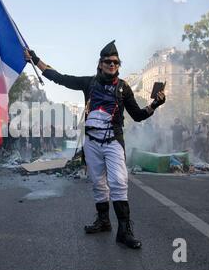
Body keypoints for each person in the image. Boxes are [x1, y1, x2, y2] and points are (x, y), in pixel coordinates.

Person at [25, 41, 166, 249]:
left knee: (119, 183)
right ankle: (104, 221)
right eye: (108, 61)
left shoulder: (124, 87)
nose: (112, 65)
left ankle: (124, 231)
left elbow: (136, 115)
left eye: (116, 62)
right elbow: (60, 78)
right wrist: (35, 60)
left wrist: (155, 104)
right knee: (98, 183)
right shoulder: (89, 83)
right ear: (100, 64)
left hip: (113, 142)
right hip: (91, 142)